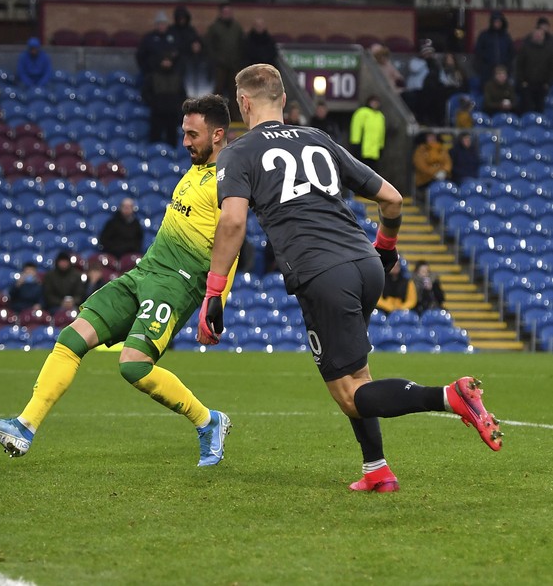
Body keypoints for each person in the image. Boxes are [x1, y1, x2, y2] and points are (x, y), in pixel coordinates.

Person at [198, 63, 502, 493]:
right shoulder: (319, 139)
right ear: (285, 101)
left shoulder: (238, 151)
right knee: (357, 373)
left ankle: (449, 397)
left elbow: (232, 224)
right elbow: (392, 199)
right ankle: (376, 468)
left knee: (349, 394)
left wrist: (214, 293)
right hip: (363, 262)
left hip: (322, 273)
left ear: (243, 104)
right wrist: (387, 250)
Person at [0, 95, 237, 467]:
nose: (184, 142)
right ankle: (24, 427)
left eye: (192, 135)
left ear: (217, 135)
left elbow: (233, 245)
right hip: (144, 273)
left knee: (133, 365)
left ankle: (209, 421)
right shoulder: (195, 171)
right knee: (71, 338)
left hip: (177, 284)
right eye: (183, 133)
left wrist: (217, 303)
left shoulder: (227, 183)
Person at [206, 3, 244, 120]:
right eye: (225, 12)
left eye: (229, 12)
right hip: (219, 66)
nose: (227, 14)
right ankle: (214, 116)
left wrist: (239, 61)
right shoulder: (214, 27)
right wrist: (216, 59)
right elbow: (209, 46)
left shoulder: (237, 27)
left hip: (234, 65)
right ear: (221, 13)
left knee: (235, 93)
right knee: (217, 92)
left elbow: (242, 45)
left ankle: (236, 117)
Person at [142, 54, 187, 146]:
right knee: (155, 137)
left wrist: (177, 105)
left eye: (168, 61)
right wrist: (154, 103)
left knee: (172, 138)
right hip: (157, 112)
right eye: (164, 61)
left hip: (173, 113)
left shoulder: (177, 77)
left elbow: (182, 94)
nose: (166, 63)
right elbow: (145, 93)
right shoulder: (153, 77)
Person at [515, 26, 553, 114]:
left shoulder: (549, 50)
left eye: (540, 35)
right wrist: (522, 81)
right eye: (536, 34)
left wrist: (548, 82)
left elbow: (551, 68)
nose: (538, 36)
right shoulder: (525, 48)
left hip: (542, 85)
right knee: (527, 107)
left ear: (543, 36)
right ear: (532, 36)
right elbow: (519, 66)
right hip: (527, 85)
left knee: (540, 108)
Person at [474, 10, 514, 85]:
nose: (497, 24)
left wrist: (507, 67)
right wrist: (484, 65)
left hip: (503, 71)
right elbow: (478, 52)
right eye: (495, 21)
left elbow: (511, 53)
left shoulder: (506, 37)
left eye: (499, 22)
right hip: (487, 71)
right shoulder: (484, 35)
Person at [136, 11, 178, 78]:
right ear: (156, 25)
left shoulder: (173, 38)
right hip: (153, 73)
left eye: (164, 24)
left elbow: (177, 53)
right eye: (159, 24)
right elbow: (141, 55)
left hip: (170, 73)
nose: (161, 26)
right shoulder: (148, 38)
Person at [349, 95, 385, 172]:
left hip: (374, 152)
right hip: (363, 150)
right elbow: (356, 128)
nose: (375, 104)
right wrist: (355, 143)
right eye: (373, 102)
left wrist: (381, 146)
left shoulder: (380, 116)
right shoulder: (362, 113)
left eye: (376, 102)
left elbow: (381, 133)